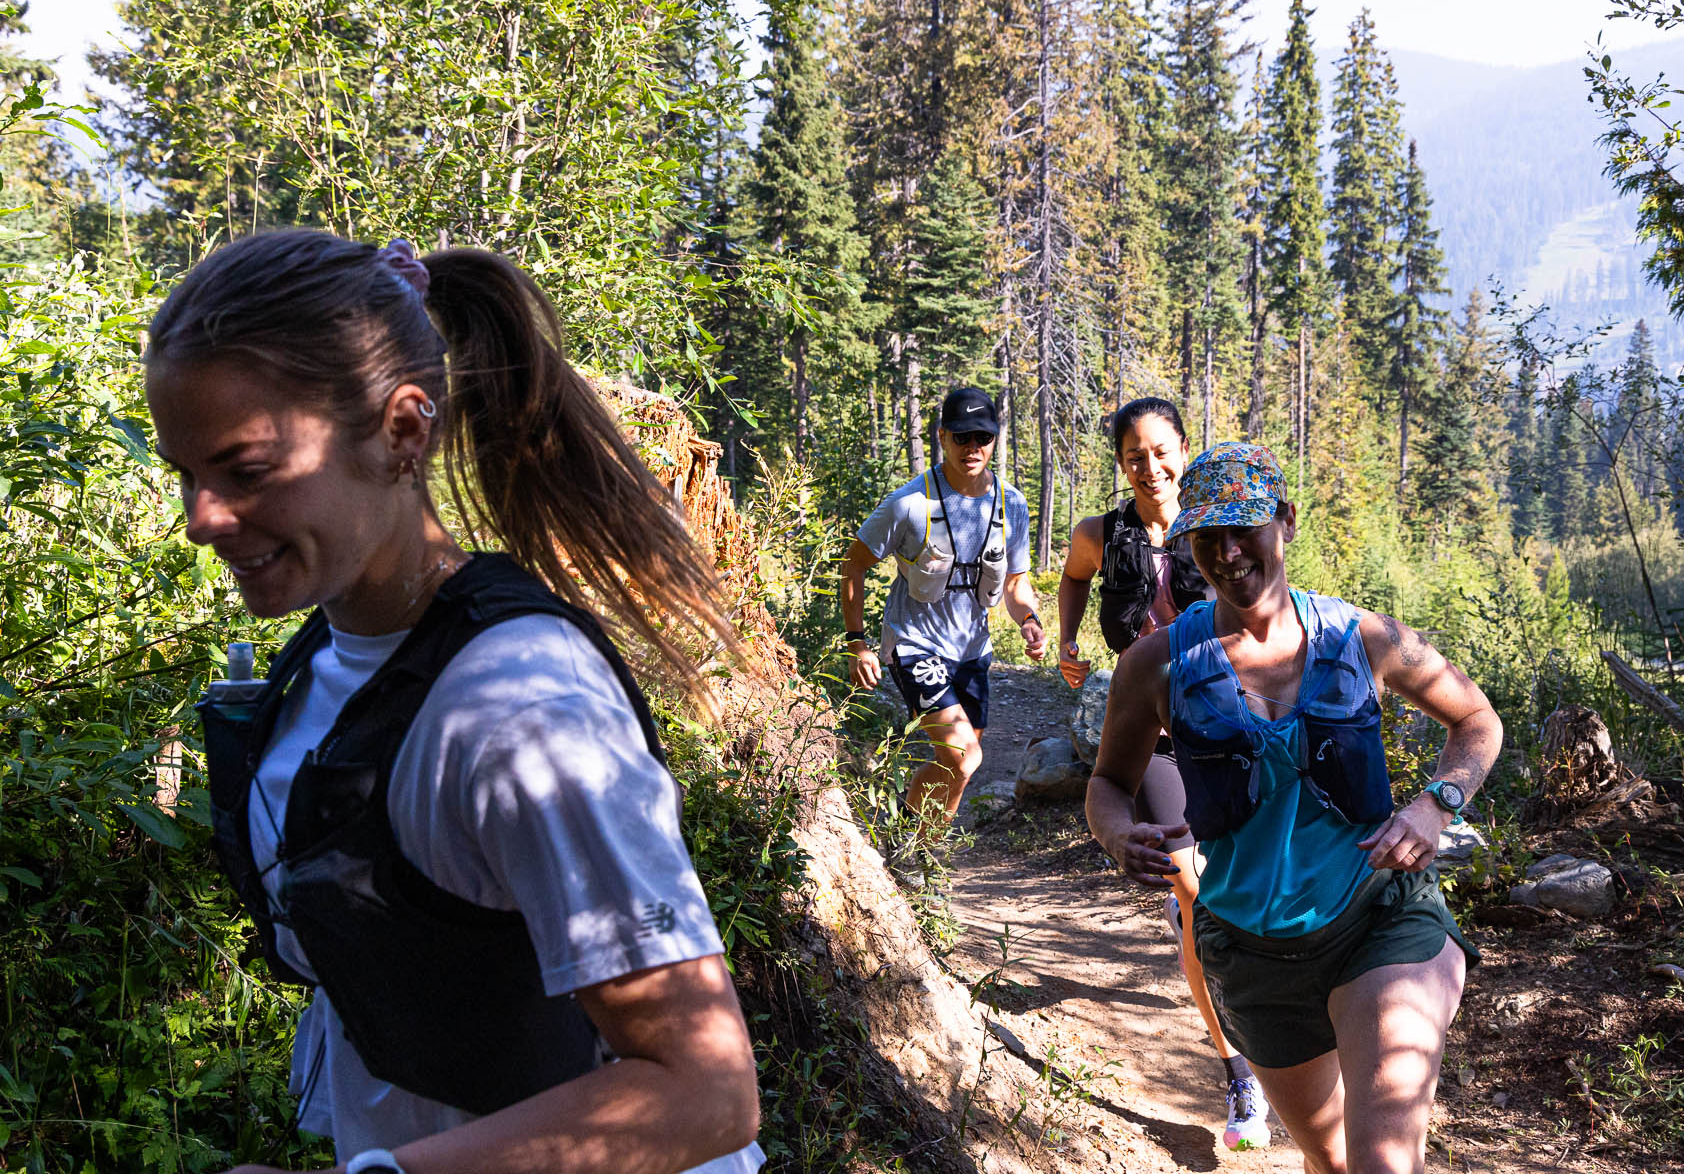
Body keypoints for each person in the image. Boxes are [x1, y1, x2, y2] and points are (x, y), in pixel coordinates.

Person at [146, 230, 762, 1174]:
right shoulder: (326, 663)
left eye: (247, 470)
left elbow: (707, 1092)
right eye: (186, 473)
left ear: (402, 430)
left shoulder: (521, 711)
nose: (202, 520)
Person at [1085, 442, 1501, 1174]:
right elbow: (1108, 785)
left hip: (1380, 918)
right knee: (1331, 1161)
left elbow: (1477, 722)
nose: (1228, 552)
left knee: (1381, 1164)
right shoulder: (1156, 665)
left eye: (1245, 529)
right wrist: (1120, 836)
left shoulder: (1359, 635)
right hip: (1252, 953)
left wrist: (1439, 805)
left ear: (1287, 521)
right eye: (1208, 536)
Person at [1057, 399, 1271, 1153]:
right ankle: (1239, 1068)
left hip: (1221, 727)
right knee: (1193, 892)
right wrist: (1066, 641)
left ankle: (1287, 1028)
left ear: (1184, 449)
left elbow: (1264, 611)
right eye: (1133, 456)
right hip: (1149, 731)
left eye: (1160, 450)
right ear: (1121, 464)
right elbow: (1075, 577)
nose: (1149, 466)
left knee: (1244, 886)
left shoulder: (1220, 531)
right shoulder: (1101, 534)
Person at [839, 387, 1047, 842]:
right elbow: (853, 564)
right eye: (961, 437)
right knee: (963, 755)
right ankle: (909, 856)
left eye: (983, 438)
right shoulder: (909, 504)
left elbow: (1014, 584)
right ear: (942, 438)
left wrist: (1030, 620)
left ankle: (918, 849)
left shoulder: (1011, 504)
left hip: (971, 652)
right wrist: (857, 641)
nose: (972, 447)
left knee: (959, 764)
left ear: (994, 440)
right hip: (913, 645)